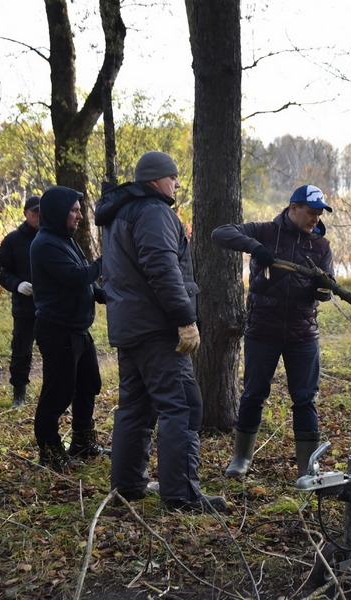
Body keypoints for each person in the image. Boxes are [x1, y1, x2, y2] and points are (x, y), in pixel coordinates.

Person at [95, 151, 227, 513]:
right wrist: (185, 318)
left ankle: (128, 485)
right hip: (157, 329)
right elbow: (162, 270)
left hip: (128, 327)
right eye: (172, 177)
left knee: (135, 408)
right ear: (156, 179)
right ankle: (181, 495)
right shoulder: (154, 212)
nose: (176, 183)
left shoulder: (118, 215)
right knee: (182, 406)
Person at [211, 183, 335, 479]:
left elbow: (329, 285)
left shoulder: (321, 246)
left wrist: (323, 289)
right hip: (262, 330)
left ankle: (307, 466)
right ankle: (241, 457)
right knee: (254, 394)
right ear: (293, 208)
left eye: (319, 214)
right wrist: (255, 248)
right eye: (311, 212)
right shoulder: (265, 231)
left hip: (303, 334)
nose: (315, 219)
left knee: (305, 398)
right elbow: (221, 233)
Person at [30, 186, 106, 472]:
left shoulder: (65, 240)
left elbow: (82, 279)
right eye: (74, 210)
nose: (79, 216)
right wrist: (104, 260)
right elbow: (75, 276)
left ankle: (83, 442)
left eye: (78, 210)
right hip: (57, 331)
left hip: (77, 330)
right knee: (58, 393)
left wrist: (101, 294)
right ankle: (49, 451)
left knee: (88, 385)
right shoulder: (46, 243)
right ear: (59, 212)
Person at [0, 195, 40, 408]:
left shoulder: (56, 236)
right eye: (34, 212)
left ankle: (56, 393)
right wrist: (17, 284)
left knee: (57, 352)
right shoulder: (13, 240)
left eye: (42, 212)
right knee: (21, 352)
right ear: (26, 214)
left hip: (52, 307)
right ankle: (19, 396)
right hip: (25, 307)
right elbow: (0, 269)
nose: (39, 216)